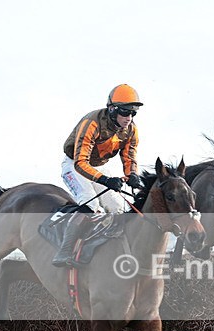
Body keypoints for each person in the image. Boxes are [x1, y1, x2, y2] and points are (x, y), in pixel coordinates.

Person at [54, 84, 145, 267]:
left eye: (133, 113)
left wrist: (132, 174)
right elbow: (80, 163)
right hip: (74, 164)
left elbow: (129, 157)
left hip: (98, 166)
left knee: (118, 209)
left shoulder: (131, 130)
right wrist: (105, 180)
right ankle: (64, 252)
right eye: (125, 112)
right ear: (112, 109)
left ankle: (107, 253)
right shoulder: (92, 123)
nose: (129, 118)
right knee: (91, 204)